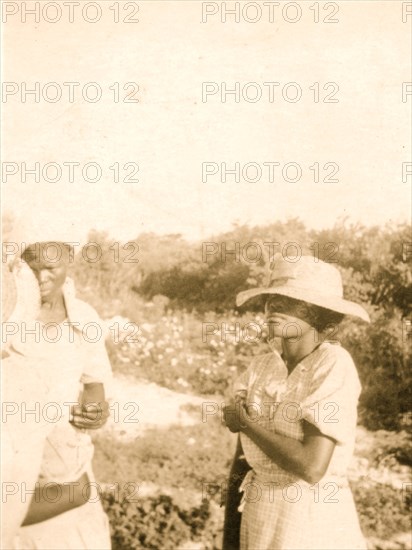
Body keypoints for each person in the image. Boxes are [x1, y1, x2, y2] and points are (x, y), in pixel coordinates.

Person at [222, 253, 370, 550]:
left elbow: (311, 466)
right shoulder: (261, 367)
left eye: (291, 301)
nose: (275, 307)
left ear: (319, 314)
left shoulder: (332, 364)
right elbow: (243, 461)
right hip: (260, 513)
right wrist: (231, 535)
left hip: (310, 517)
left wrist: (246, 424)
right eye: (272, 299)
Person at [5, 239, 113, 549]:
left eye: (51, 268)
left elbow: (95, 384)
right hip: (20, 463)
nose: (41, 278)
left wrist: (96, 411)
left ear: (69, 262)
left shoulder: (84, 317)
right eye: (32, 268)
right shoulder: (7, 315)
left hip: (66, 463)